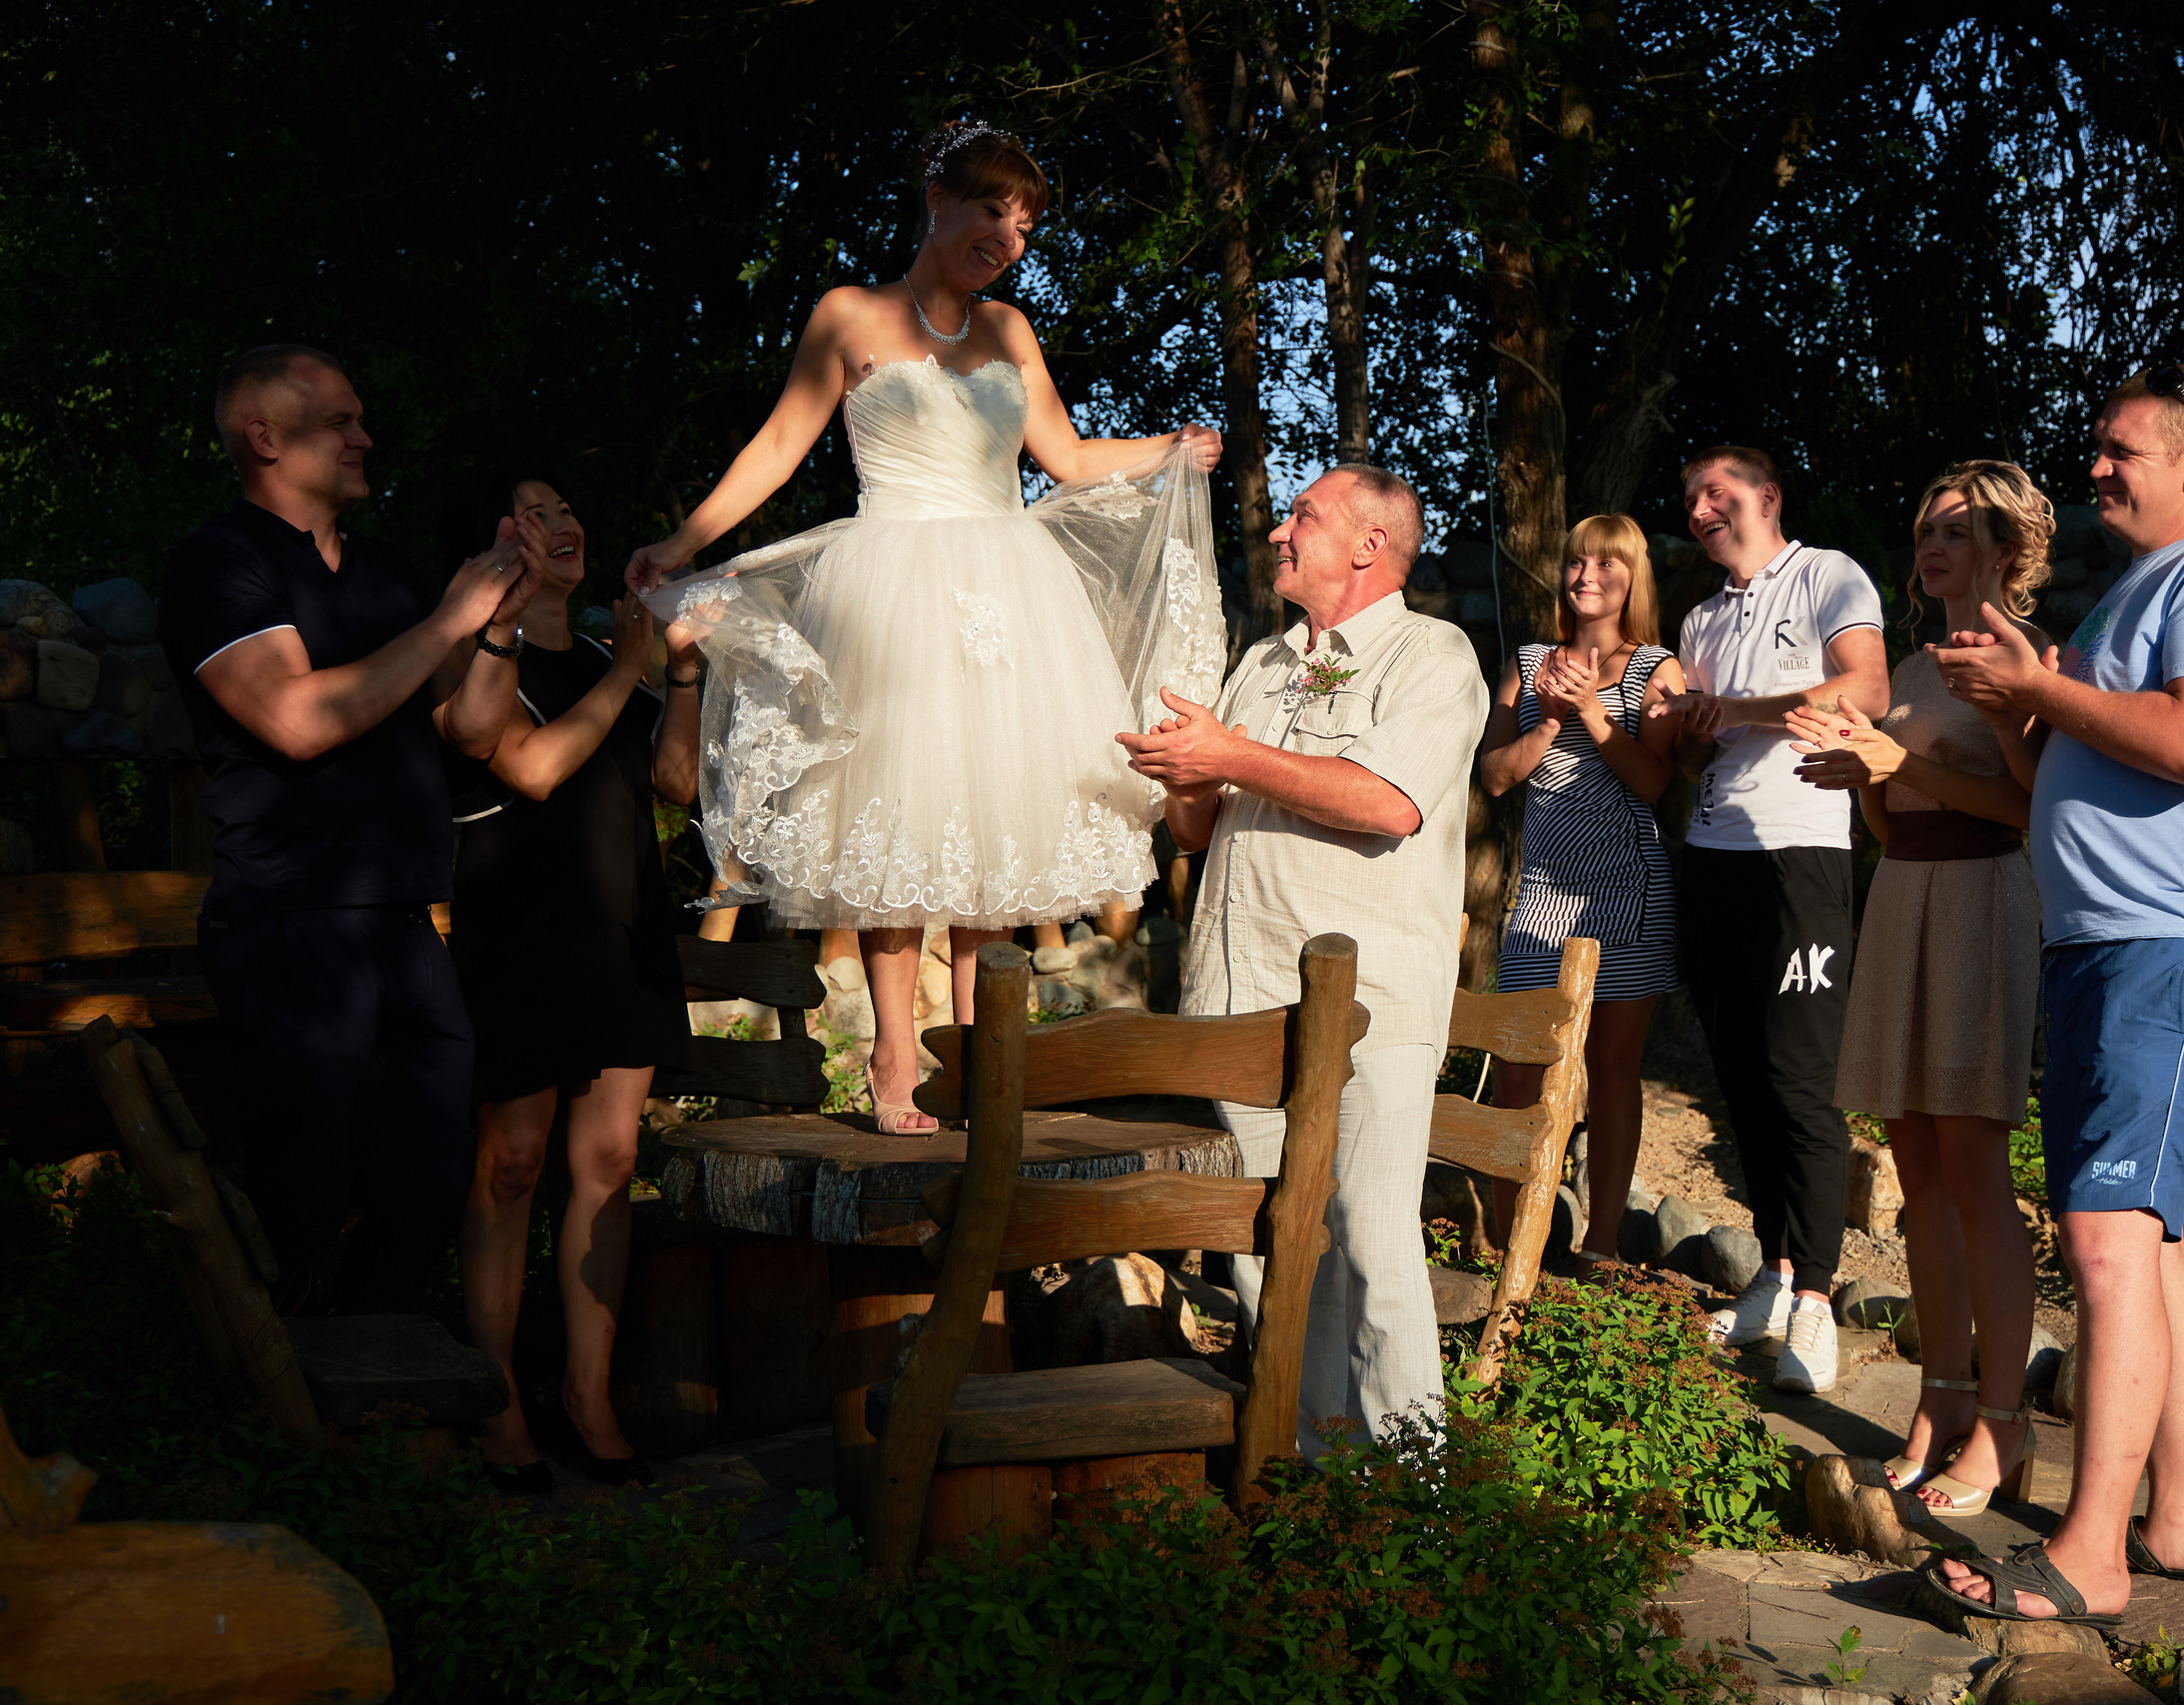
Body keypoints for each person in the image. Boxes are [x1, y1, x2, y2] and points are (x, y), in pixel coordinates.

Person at [623, 121, 1224, 1134]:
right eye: (995, 210)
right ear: (936, 198)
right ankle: (896, 1059)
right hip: (891, 584)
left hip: (1006, 583)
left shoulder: (1009, 333)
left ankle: (978, 1056)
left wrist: (1169, 448)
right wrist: (682, 542)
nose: (1011, 235)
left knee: (994, 819)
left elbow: (1068, 461)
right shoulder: (848, 314)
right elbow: (779, 444)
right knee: (897, 812)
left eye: (1027, 223)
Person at [1926, 364, 2184, 1626]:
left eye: (2118, 450)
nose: (2094, 469)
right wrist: (2021, 697)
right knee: (2151, 1239)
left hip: (2171, 940)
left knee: (2105, 1239)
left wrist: (2041, 690)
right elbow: (2063, 770)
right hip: (2098, 943)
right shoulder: (2133, 588)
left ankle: (2089, 1552)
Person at [159, 345, 547, 1312]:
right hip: (289, 918)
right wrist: (448, 620)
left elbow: (470, 726)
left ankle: (385, 1386)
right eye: (339, 420)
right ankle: (287, 1401)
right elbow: (294, 721)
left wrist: (497, 626)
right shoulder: (222, 561)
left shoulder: (383, 572)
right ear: (263, 436)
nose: (364, 436)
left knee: (425, 1175)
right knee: (306, 1181)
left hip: (402, 914)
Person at [1119, 465, 1487, 1458]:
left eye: (1303, 515)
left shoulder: (1431, 654)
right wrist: (1180, 770)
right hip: (1239, 996)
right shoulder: (1265, 660)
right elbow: (1199, 832)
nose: (1280, 531)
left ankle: (1417, 1498)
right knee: (1270, 1249)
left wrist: (1228, 757)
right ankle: (1306, 1473)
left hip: (1363, 1003)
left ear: (1369, 544)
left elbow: (1387, 804)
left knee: (1368, 1242)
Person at [1787, 461, 2053, 1514]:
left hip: (1985, 902)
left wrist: (1898, 763)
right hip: (1901, 896)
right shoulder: (1910, 661)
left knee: (1974, 1163)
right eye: (1922, 529)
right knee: (1913, 1164)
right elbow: (1898, 815)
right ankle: (1938, 1397)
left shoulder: (2026, 661)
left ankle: (2004, 1421)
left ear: (2004, 548)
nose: (1928, 547)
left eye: (1952, 530)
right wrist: (1866, 783)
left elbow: (2031, 809)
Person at [440, 469, 701, 1489]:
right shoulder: (464, 665)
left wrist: (674, 673)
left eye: (568, 507)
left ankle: (588, 1399)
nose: (565, 523)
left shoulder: (609, 658)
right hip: (517, 938)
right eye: (536, 510)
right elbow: (535, 766)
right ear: (492, 541)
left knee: (609, 1162)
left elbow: (674, 786)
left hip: (619, 937)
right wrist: (627, 667)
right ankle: (497, 1401)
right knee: (509, 1169)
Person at [1650, 445, 1889, 1394]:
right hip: (1715, 856)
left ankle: (1820, 1304)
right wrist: (1684, 726)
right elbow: (1693, 750)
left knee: (1801, 1079)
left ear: (1768, 497)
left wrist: (1731, 710)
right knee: (1740, 1075)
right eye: (1690, 499)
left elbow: (1865, 689)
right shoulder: (1701, 617)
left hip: (1802, 855)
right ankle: (1775, 1277)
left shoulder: (1827, 574)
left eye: (1718, 491)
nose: (1702, 508)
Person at [1473, 513, 1686, 1272]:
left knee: (1613, 1068)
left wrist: (1593, 715)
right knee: (1519, 1069)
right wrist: (1552, 718)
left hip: (1623, 889)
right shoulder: (1528, 663)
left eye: (1605, 563)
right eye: (1575, 562)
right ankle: (1509, 1247)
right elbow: (1495, 775)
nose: (1586, 575)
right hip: (1539, 899)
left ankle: (1599, 1246)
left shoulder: (1659, 668)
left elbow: (1658, 781)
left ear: (1633, 577)